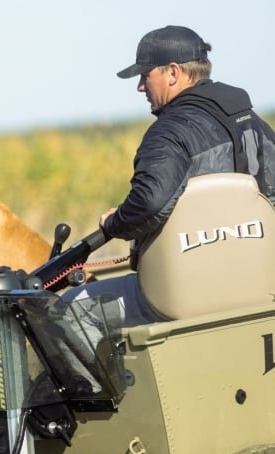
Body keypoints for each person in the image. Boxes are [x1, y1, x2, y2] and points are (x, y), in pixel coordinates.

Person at [61, 25, 275, 326]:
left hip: (190, 290)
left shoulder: (168, 132)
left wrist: (114, 222)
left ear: (173, 72)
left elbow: (149, 203)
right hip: (260, 283)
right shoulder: (252, 122)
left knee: (67, 310)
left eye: (145, 75)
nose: (140, 87)